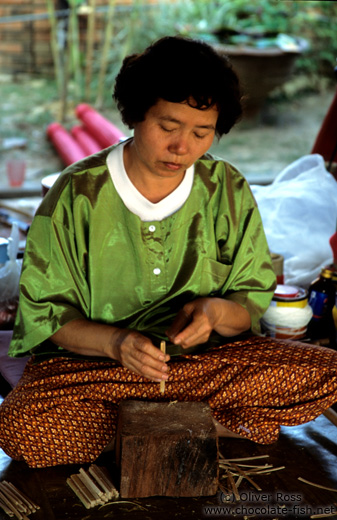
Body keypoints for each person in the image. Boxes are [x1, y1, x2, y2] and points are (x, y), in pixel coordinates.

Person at [1, 36, 336, 469]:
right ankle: (199, 423)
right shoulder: (77, 195)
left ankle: (147, 426)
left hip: (203, 365)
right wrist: (118, 343)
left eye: (201, 132)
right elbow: (46, 319)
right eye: (167, 127)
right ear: (136, 114)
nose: (183, 147)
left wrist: (214, 313)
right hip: (97, 371)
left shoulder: (227, 189)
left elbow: (248, 305)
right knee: (20, 426)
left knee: (327, 372)